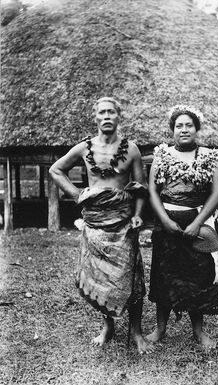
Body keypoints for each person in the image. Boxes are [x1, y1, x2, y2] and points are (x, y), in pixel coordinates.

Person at [49, 97, 154, 354]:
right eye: (102, 112)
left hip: (123, 223)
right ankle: (107, 327)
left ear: (119, 116)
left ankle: (136, 331)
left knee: (132, 277)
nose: (106, 116)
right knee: (99, 277)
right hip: (95, 222)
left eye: (111, 112)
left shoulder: (132, 149)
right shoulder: (84, 148)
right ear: (94, 117)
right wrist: (76, 195)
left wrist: (138, 214)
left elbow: (140, 188)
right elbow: (56, 170)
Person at [147, 105, 218, 348]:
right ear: (172, 130)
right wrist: (165, 220)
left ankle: (198, 332)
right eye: (179, 126)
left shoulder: (210, 156)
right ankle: (160, 329)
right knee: (165, 274)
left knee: (199, 275)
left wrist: (197, 223)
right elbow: (153, 192)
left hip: (199, 222)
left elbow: (216, 194)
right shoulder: (161, 156)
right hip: (167, 224)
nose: (183, 130)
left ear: (196, 129)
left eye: (189, 125)